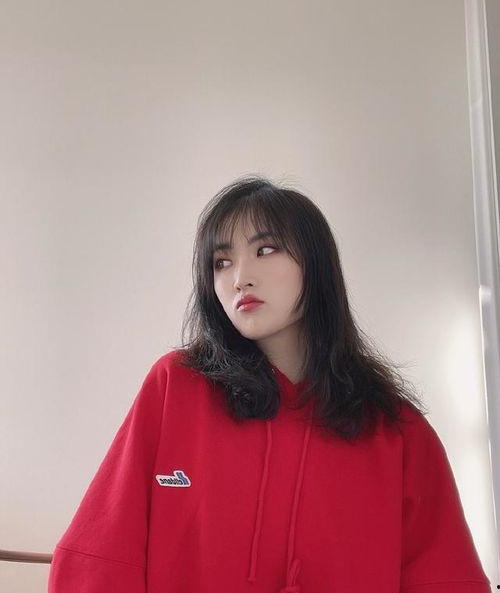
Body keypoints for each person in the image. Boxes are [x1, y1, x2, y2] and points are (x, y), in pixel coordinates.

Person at [47, 175, 491, 592]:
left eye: (265, 250)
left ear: (316, 265)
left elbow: (446, 579)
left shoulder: (396, 432)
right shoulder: (176, 388)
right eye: (221, 262)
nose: (240, 277)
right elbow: (99, 556)